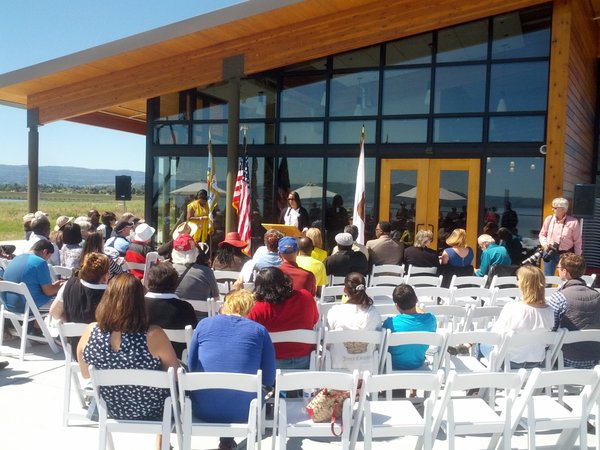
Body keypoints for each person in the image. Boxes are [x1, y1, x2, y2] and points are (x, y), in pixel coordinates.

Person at [77, 273, 179, 450]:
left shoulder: (91, 331)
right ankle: (162, 443)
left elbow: (86, 374)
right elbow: (175, 377)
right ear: (140, 302)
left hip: (111, 408)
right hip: (152, 410)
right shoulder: (153, 335)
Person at [188, 289, 276, 450]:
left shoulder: (204, 324)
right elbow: (269, 377)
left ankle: (226, 439)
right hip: (245, 411)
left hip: (204, 408)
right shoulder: (259, 331)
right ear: (249, 308)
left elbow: (192, 365)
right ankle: (227, 440)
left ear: (225, 306)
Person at [476, 265, 554, 369]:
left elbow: (496, 336)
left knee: (481, 341)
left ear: (523, 284)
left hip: (509, 361)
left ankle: (481, 380)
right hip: (536, 361)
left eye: (518, 279)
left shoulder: (512, 307)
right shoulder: (549, 310)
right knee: (487, 331)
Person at [248, 267, 319, 369]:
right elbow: (315, 320)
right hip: (306, 361)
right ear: (285, 280)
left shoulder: (258, 309)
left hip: (273, 364)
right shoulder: (306, 297)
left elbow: (252, 338)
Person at [546, 253, 600, 368]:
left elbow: (551, 328)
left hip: (565, 358)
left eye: (559, 268)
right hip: (595, 359)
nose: (558, 271)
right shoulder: (597, 295)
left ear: (565, 271)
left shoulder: (559, 297)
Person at [326, 272, 382, 372]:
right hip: (367, 370)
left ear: (345, 290)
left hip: (338, 370)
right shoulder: (374, 313)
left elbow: (327, 342)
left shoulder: (334, 312)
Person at [145, 262, 198, 359]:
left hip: (146, 360)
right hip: (179, 361)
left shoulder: (137, 306)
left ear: (149, 282)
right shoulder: (185, 308)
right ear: (175, 284)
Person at [383, 284, 437, 370]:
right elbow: (421, 313)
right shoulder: (431, 319)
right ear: (416, 300)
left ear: (397, 306)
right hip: (418, 365)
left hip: (393, 366)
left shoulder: (390, 323)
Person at [2, 240, 64, 313]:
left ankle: (38, 324)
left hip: (8, 305)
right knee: (63, 303)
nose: (47, 260)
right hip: (26, 306)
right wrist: (60, 287)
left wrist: (53, 286)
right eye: (48, 257)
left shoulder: (16, 258)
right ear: (44, 251)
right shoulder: (40, 262)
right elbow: (49, 292)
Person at [49, 252, 109, 324]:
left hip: (71, 334)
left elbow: (54, 313)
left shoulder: (68, 285)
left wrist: (71, 322)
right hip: (100, 334)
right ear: (105, 277)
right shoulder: (113, 294)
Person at [171, 233, 220, 312]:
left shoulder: (166, 271)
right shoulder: (207, 272)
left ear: (174, 252)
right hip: (201, 320)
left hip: (175, 317)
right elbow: (216, 299)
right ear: (195, 251)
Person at [539, 197, 582, 276]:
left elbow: (577, 242)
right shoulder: (549, 219)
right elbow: (542, 234)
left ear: (563, 209)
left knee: (566, 277)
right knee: (548, 278)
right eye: (552, 207)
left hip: (566, 254)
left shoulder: (573, 222)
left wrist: (577, 257)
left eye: (555, 208)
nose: (552, 210)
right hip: (550, 252)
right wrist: (545, 245)